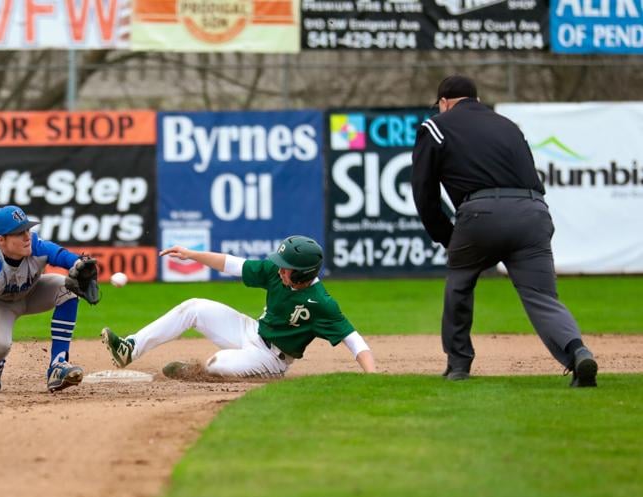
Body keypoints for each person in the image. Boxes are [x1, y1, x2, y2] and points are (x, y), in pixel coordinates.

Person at [411, 75, 597, 387]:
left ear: (443, 103)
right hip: (533, 214)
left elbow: (424, 193)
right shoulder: (508, 125)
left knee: (460, 282)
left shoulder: (435, 126)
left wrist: (448, 237)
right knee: (542, 297)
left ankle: (459, 365)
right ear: (478, 101)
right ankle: (577, 351)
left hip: (481, 214)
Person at [101, 235, 376, 378]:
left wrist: (373, 377)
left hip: (271, 360)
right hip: (252, 331)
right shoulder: (276, 271)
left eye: (287, 268)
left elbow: (354, 341)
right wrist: (192, 254)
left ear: (303, 274)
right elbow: (231, 264)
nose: (279, 271)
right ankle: (130, 349)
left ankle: (197, 371)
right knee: (194, 306)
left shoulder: (322, 303)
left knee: (217, 364)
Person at [0, 205, 95, 393]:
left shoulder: (36, 245)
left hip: (33, 293)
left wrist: (79, 264)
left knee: (68, 288)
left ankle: (58, 364)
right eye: (18, 232)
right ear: (1, 240)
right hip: (0, 304)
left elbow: (60, 255)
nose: (26, 236)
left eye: (27, 229)